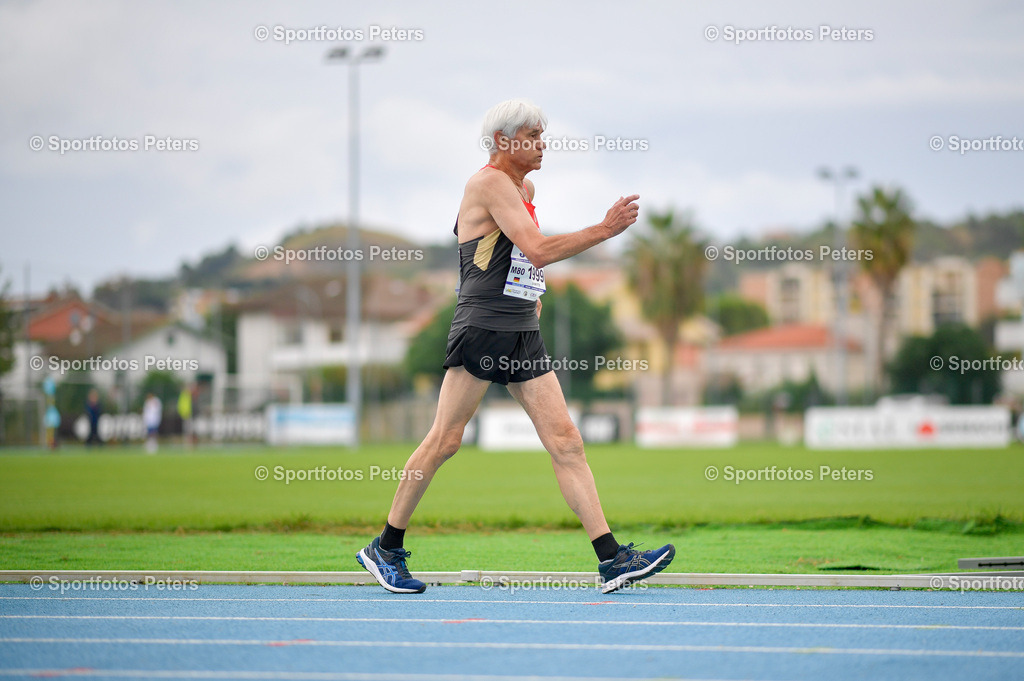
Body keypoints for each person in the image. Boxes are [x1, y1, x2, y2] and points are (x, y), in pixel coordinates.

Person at [357, 99, 675, 594]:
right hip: (482, 326)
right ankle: (386, 546)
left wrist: (534, 296)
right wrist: (606, 229)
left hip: (522, 330)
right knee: (446, 439)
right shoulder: (485, 183)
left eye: (544, 135)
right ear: (504, 141)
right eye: (533, 135)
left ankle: (611, 559)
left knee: (566, 440)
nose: (543, 144)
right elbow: (538, 249)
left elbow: (519, 257)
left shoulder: (524, 187)